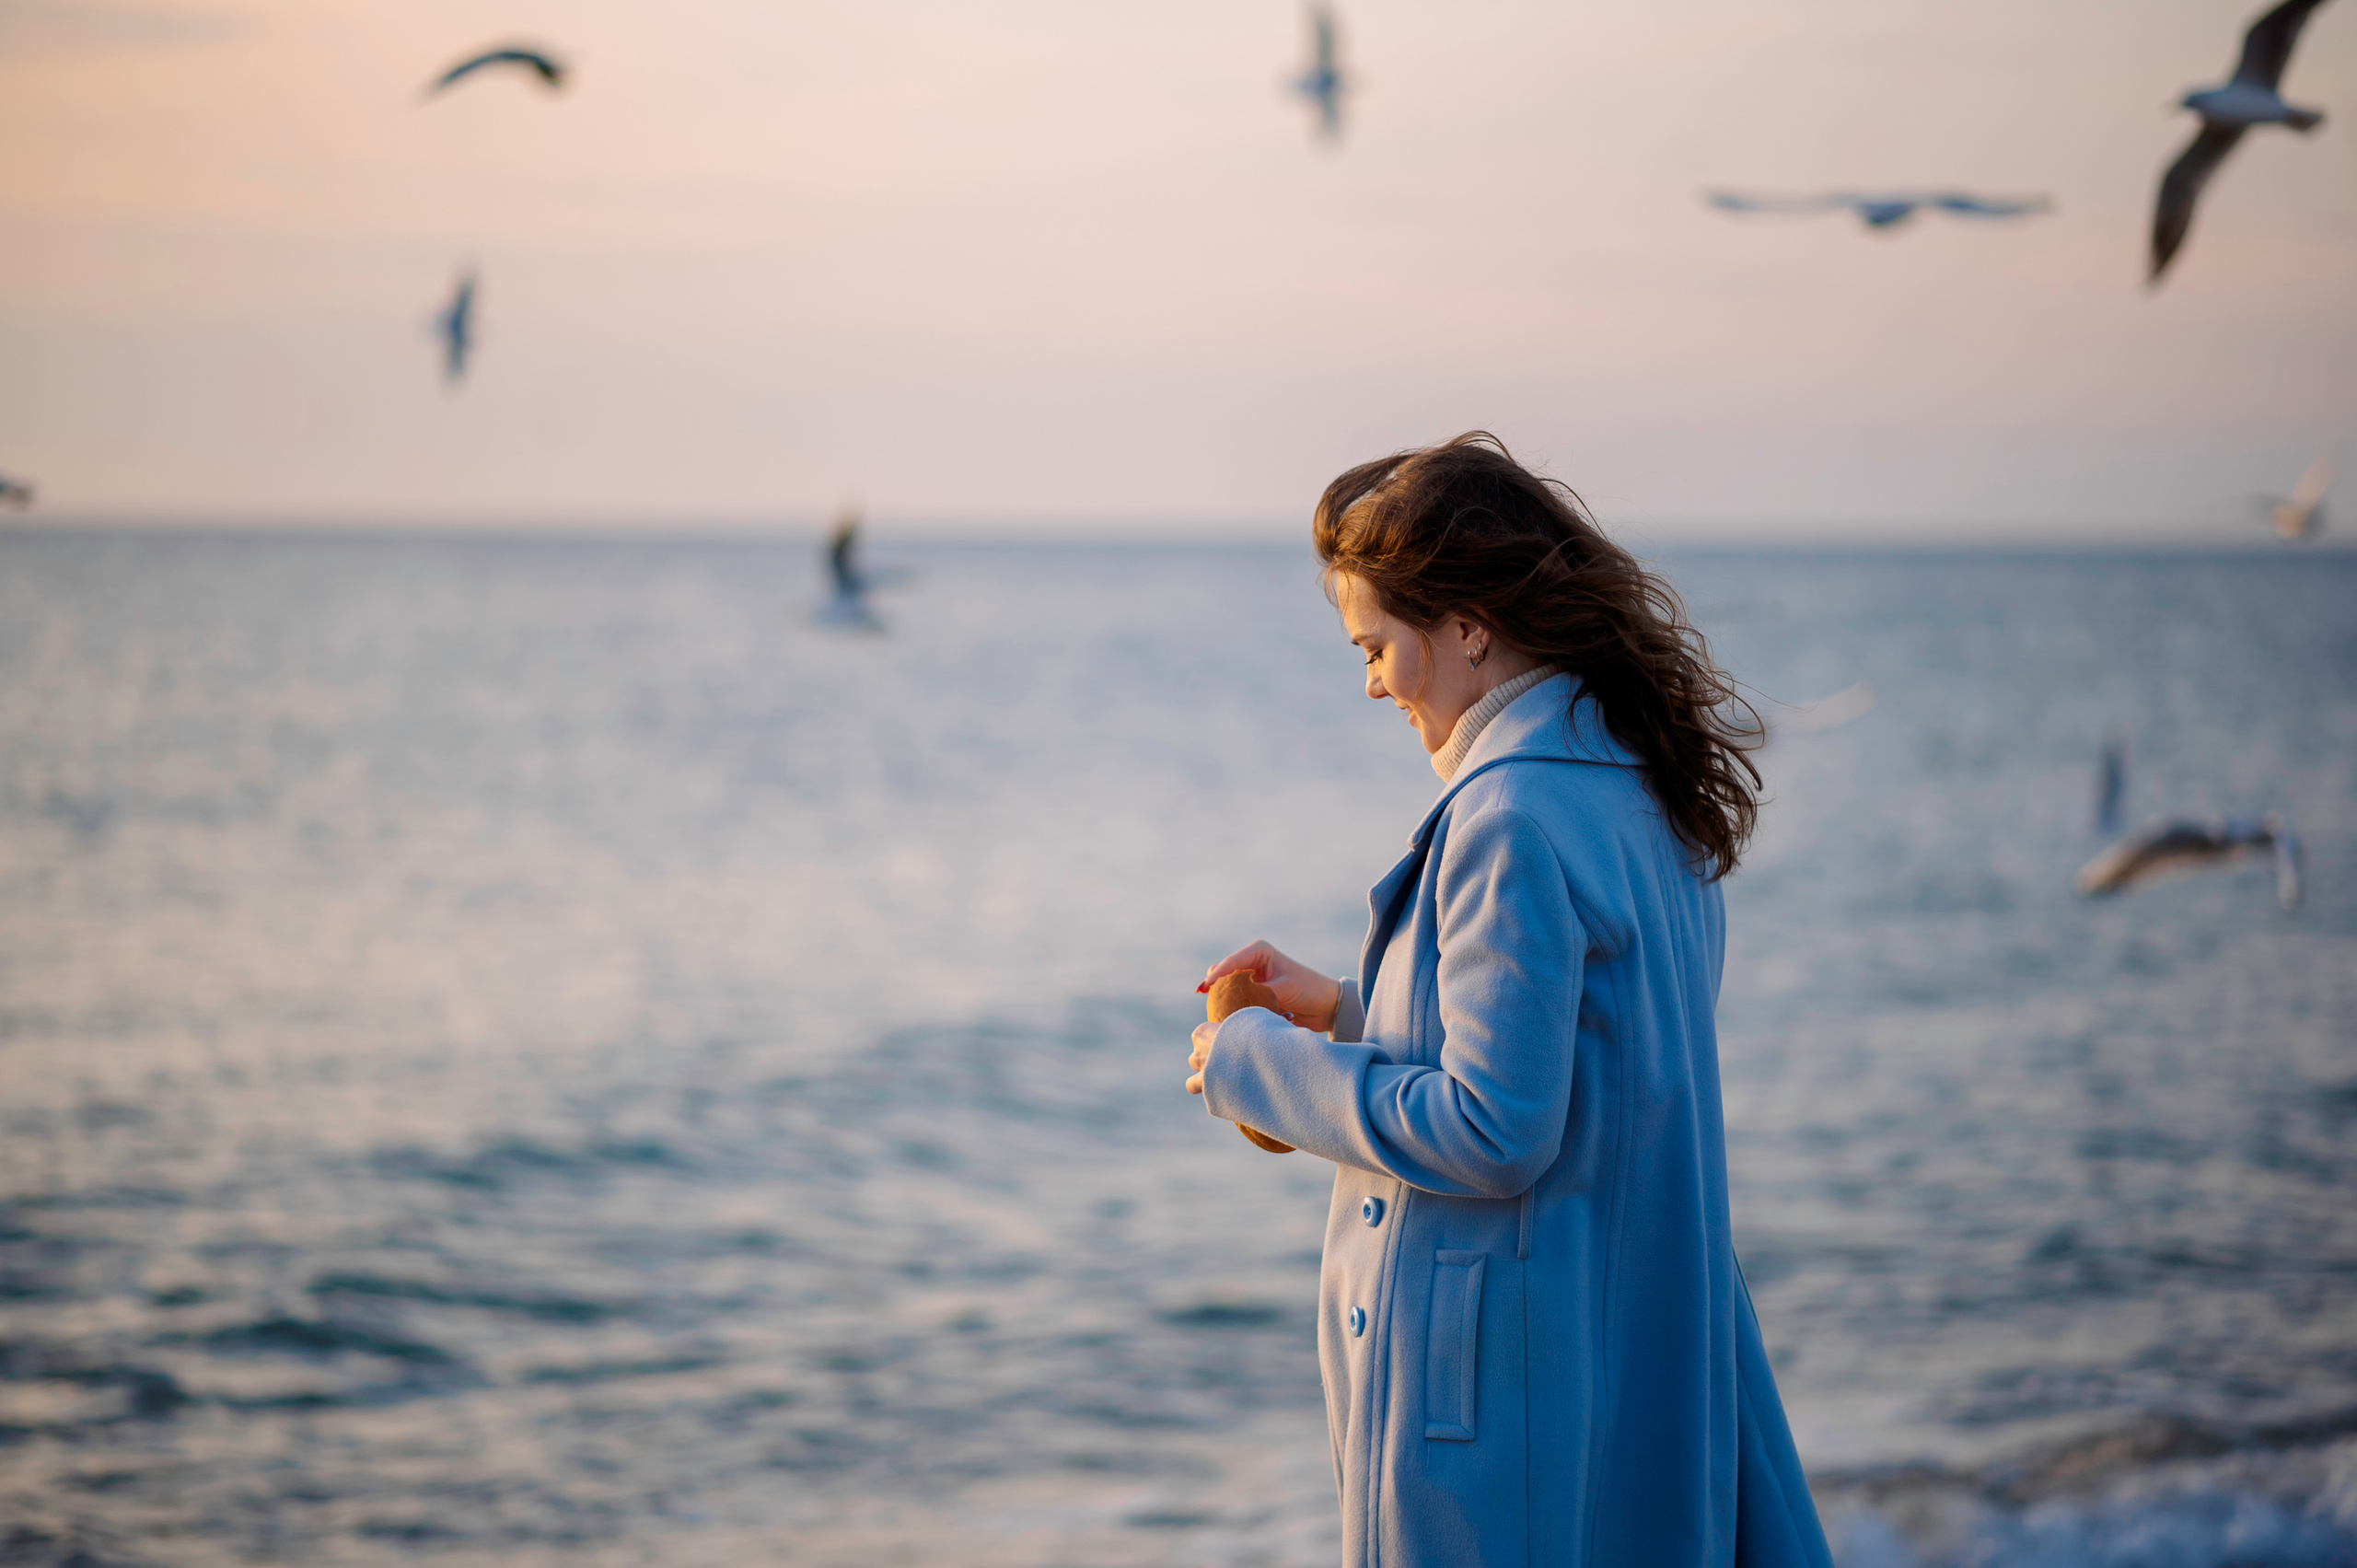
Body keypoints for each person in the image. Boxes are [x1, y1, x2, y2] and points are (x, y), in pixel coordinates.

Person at [1186, 434, 1830, 1567]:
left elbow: (1496, 1127)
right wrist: (1343, 1009)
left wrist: (1251, 1064)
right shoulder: (1634, 786)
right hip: (1623, 1353)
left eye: (1377, 645)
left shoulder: (1507, 817)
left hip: (1505, 1410)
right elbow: (1590, 1059)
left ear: (1469, 626)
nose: (1373, 681)